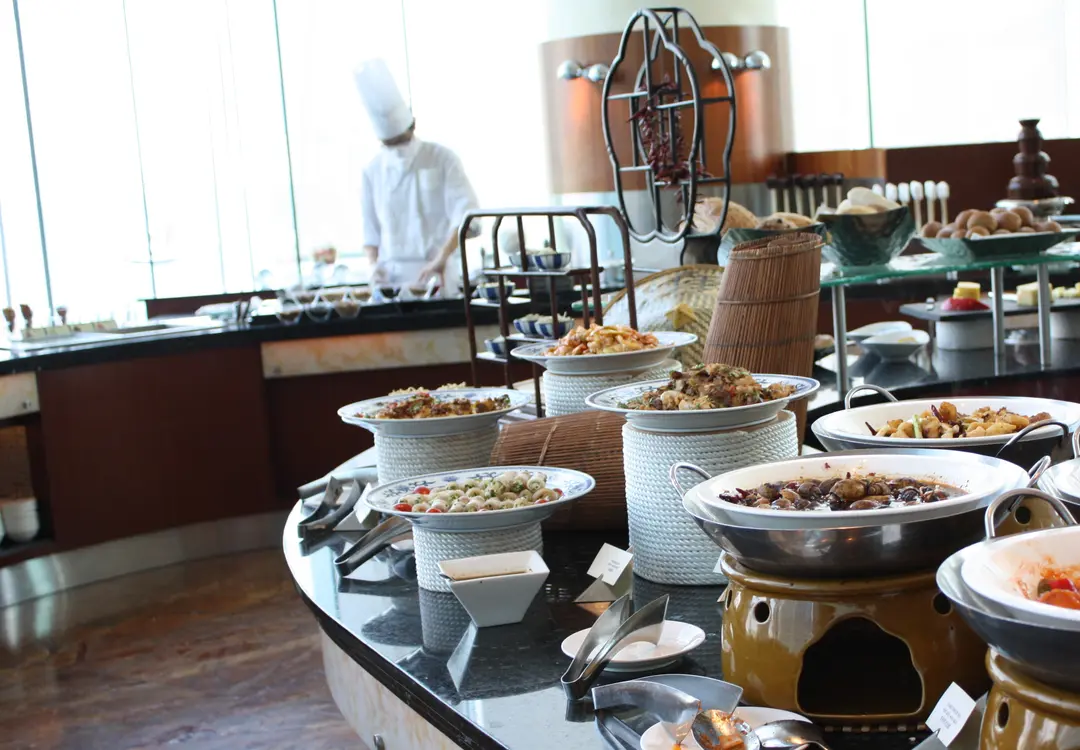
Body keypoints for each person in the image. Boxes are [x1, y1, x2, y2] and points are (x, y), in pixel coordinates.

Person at [354, 58, 478, 291]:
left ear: (412, 125)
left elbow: (467, 216)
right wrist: (373, 266)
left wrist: (442, 257)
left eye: (401, 142)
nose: (398, 150)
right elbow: (370, 232)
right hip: (392, 280)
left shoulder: (443, 158)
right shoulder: (372, 171)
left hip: (439, 276)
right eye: (391, 144)